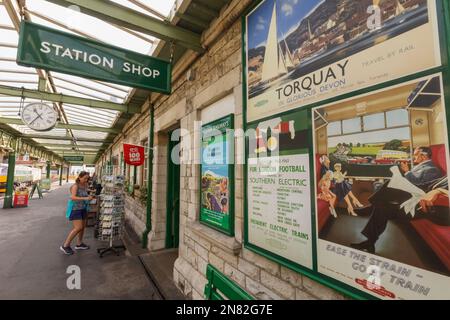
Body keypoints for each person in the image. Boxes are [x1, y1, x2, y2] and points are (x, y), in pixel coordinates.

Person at [351, 147, 444, 253]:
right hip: (410, 194)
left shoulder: (432, 169)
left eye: (415, 154)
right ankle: (370, 243)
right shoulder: (420, 167)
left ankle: (371, 206)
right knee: (381, 206)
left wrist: (407, 171)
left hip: (416, 198)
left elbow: (421, 186)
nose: (413, 157)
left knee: (389, 184)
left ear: (423, 156)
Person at [60, 171, 93, 255]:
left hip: (83, 208)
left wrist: (90, 195)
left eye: (87, 178)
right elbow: (73, 197)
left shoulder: (85, 185)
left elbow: (85, 192)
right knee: (78, 227)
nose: (86, 180)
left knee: (82, 227)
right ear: (79, 177)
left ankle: (79, 244)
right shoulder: (75, 186)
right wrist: (85, 198)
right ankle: (65, 245)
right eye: (84, 178)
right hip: (75, 209)